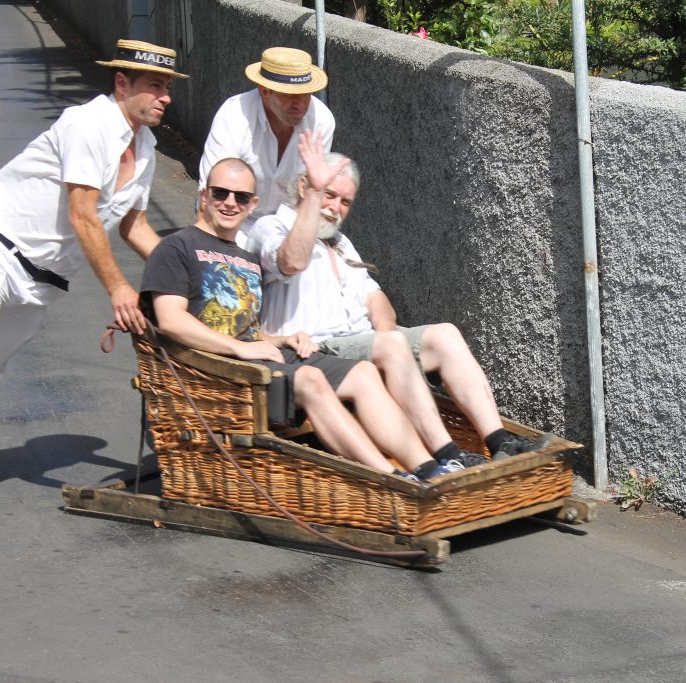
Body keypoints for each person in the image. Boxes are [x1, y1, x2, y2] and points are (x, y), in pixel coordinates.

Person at [0, 39, 186, 468]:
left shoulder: (146, 150)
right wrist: (119, 288)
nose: (166, 97)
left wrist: (186, 274)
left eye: (168, 88)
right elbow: (83, 214)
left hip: (41, 286)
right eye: (156, 86)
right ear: (123, 83)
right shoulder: (87, 124)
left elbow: (133, 225)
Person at [141, 157, 457, 481]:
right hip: (218, 370)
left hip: (261, 357)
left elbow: (246, 329)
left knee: (363, 372)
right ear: (205, 195)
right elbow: (171, 321)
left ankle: (431, 469)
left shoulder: (245, 259)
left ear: (253, 204)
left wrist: (282, 340)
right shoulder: (176, 248)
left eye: (241, 197)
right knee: (311, 379)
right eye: (221, 193)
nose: (230, 202)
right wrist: (238, 349)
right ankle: (391, 479)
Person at [243, 133, 548, 469]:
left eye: (345, 202)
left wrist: (387, 335)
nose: (334, 208)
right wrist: (388, 346)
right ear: (305, 187)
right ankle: (448, 455)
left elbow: (375, 297)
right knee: (391, 346)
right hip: (315, 348)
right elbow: (291, 262)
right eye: (328, 195)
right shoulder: (272, 226)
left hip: (361, 343)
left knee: (444, 334)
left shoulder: (340, 243)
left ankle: (500, 441)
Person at [198, 46, 334, 229]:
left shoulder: (321, 121)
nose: (300, 104)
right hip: (232, 217)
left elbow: (310, 194)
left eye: (306, 93)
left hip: (286, 225)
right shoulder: (234, 114)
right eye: (290, 94)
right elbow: (213, 195)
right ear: (264, 91)